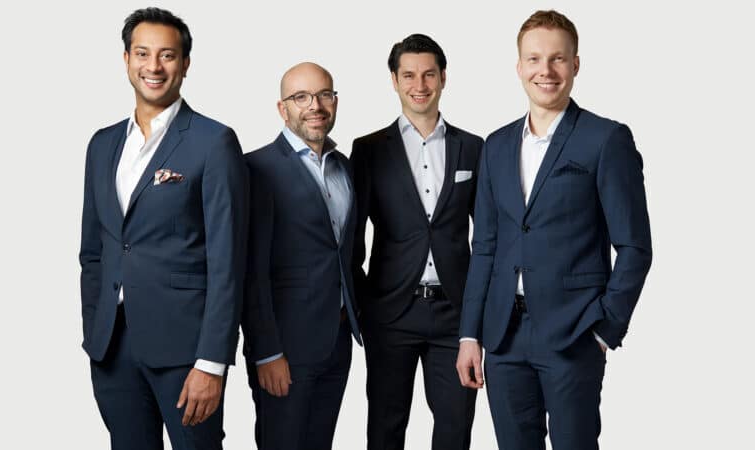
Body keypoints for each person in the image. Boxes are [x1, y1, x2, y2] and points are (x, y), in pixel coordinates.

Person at [456, 10, 653, 450]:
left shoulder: (606, 139)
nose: (545, 70)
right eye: (534, 59)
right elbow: (485, 246)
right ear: (519, 66)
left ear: (575, 64)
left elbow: (635, 247)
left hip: (574, 334)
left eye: (557, 59)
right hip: (503, 337)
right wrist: (470, 334)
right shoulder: (496, 145)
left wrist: (604, 329)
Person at [78, 7, 248, 449]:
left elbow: (228, 261)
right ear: (126, 60)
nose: (153, 66)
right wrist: (94, 327)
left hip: (185, 351)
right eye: (142, 53)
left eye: (167, 55)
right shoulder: (102, 144)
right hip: (112, 348)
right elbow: (94, 251)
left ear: (185, 64)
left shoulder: (213, 141)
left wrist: (211, 362)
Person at [350, 34, 482, 450]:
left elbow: (489, 238)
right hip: (391, 314)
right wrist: (363, 306)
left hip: (455, 315)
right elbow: (352, 241)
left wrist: (478, 316)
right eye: (408, 75)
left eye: (428, 74)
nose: (419, 85)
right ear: (394, 80)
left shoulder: (473, 148)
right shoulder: (368, 150)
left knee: (455, 430)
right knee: (385, 429)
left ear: (443, 78)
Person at [241, 62, 362, 450]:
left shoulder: (343, 167)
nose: (316, 106)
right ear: (283, 108)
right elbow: (250, 272)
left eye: (325, 95)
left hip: (337, 341)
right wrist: (266, 352)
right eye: (301, 97)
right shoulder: (256, 169)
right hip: (285, 349)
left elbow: (347, 255)